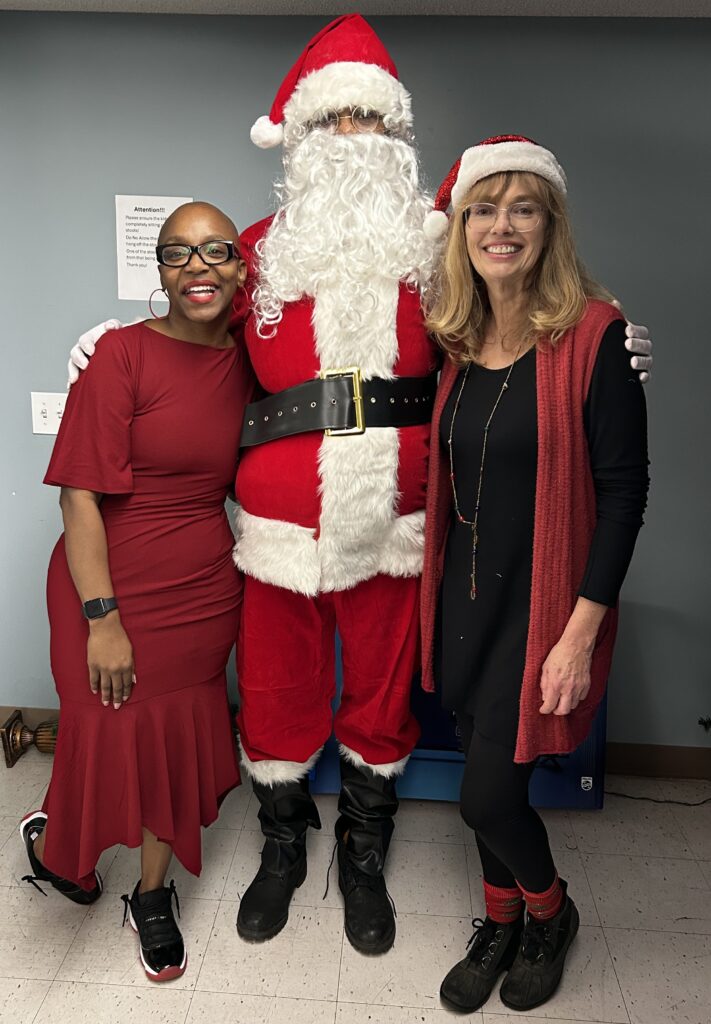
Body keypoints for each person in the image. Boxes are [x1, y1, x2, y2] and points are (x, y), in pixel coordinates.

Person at [65, 15, 652, 958]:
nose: (350, 138)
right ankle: (285, 846)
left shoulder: (440, 241)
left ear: (396, 134)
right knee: (275, 689)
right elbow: (194, 321)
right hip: (276, 522)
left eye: (367, 120)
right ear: (299, 136)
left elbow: (518, 318)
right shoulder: (256, 246)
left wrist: (603, 346)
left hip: (402, 517)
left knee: (380, 696)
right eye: (331, 119)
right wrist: (113, 339)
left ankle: (364, 850)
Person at [419, 136, 649, 1012]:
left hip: (543, 608)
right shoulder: (457, 338)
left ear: (549, 225)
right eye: (483, 207)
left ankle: (549, 913)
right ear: (461, 228)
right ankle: (499, 917)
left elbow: (623, 495)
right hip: (467, 601)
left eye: (522, 207)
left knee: (484, 796)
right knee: (488, 781)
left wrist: (579, 635)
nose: (500, 225)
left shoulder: (595, 335)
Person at [21, 202, 254, 983]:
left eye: (216, 250)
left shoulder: (250, 360)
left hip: (201, 587)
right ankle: (67, 856)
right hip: (104, 585)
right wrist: (103, 620)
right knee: (100, 735)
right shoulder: (120, 355)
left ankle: (151, 896)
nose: (198, 266)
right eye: (177, 253)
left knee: (175, 744)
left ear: (241, 266)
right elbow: (77, 497)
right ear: (158, 271)